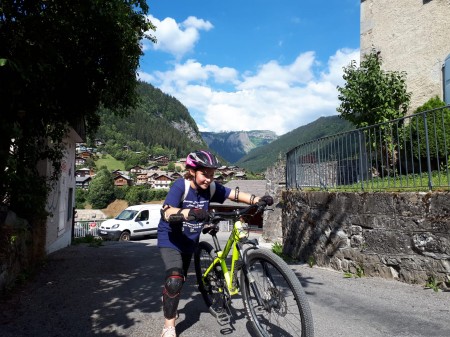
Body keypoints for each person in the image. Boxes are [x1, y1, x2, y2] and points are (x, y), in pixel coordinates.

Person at [157, 150, 273, 337]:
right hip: (171, 238)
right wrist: (189, 212)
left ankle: (172, 302)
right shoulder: (181, 186)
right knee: (174, 279)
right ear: (192, 171)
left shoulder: (210, 188)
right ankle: (169, 324)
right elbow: (167, 211)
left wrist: (257, 199)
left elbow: (233, 195)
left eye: (212, 175)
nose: (208, 179)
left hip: (190, 241)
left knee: (181, 279)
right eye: (204, 174)